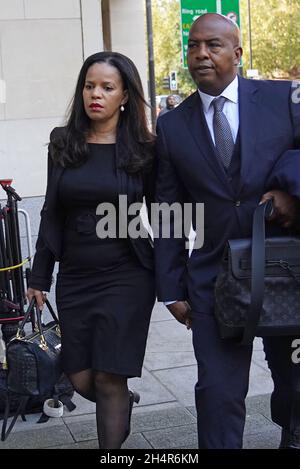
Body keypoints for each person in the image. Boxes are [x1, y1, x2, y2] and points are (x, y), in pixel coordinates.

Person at [155, 13, 300, 449]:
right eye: (194, 45)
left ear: (237, 53)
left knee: (295, 385)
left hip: (286, 271)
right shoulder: (171, 125)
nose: (201, 53)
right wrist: (170, 287)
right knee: (217, 394)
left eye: (213, 45)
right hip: (213, 280)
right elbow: (167, 210)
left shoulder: (283, 99)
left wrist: (292, 192)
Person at [27, 51, 156, 449]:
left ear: (124, 96)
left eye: (106, 87)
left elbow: (167, 215)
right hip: (76, 277)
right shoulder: (62, 142)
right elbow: (51, 211)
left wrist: (178, 280)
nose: (94, 94)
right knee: (81, 376)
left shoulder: (144, 150)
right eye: (89, 85)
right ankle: (120, 402)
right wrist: (39, 275)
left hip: (128, 275)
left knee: (108, 375)